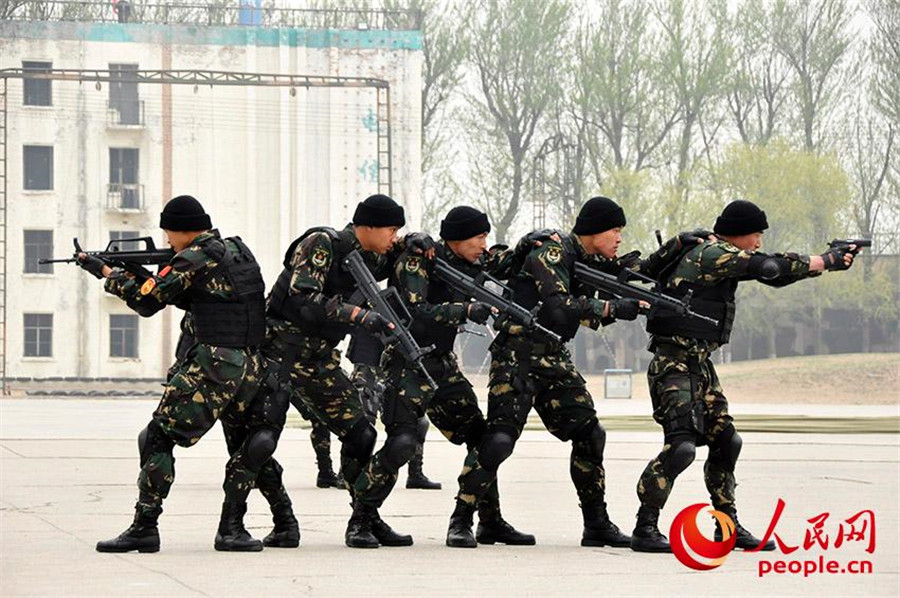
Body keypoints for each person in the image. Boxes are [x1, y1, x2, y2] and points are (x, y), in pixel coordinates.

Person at [452, 196, 699, 548]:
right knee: (499, 440)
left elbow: (635, 272)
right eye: (614, 230)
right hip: (517, 355)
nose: (619, 238)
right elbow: (558, 305)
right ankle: (463, 519)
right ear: (594, 231)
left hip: (554, 356)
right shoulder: (552, 251)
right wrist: (612, 307)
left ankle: (596, 523)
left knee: (590, 433)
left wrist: (675, 247)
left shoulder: (590, 259)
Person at [630, 199, 858, 553]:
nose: (758, 242)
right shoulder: (711, 253)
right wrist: (825, 260)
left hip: (699, 364)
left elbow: (772, 274)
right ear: (738, 233)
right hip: (673, 365)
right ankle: (645, 527)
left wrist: (825, 265)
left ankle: (727, 527)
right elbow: (767, 266)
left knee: (726, 441)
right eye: (756, 235)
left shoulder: (724, 257)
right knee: (681, 447)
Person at [83, 195, 296, 553]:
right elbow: (209, 296)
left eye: (168, 233)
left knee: (156, 437)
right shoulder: (236, 251)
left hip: (215, 365)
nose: (167, 241)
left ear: (182, 230)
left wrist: (107, 273)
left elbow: (147, 302)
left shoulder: (194, 257)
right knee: (250, 446)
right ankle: (271, 524)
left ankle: (144, 527)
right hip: (251, 365)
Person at [352, 206, 534, 548]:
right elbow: (415, 311)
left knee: (484, 441)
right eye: (478, 237)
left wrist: (528, 244)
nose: (484, 244)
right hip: (406, 363)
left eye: (485, 237)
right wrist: (465, 310)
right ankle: (361, 519)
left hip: (441, 363)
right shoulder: (419, 260)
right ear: (457, 238)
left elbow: (507, 264)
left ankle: (479, 520)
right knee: (402, 442)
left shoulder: (472, 262)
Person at [263, 193, 433, 548]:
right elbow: (302, 297)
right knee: (258, 441)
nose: (394, 237)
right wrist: (358, 315)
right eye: (391, 229)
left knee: (361, 434)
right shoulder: (322, 244)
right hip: (278, 354)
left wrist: (416, 242)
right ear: (366, 227)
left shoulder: (372, 257)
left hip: (318, 359)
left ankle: (364, 519)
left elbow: (401, 256)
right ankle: (276, 522)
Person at [348, 329, 442, 490]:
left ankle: (415, 473)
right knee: (364, 423)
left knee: (419, 422)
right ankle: (352, 472)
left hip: (395, 361)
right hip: (368, 358)